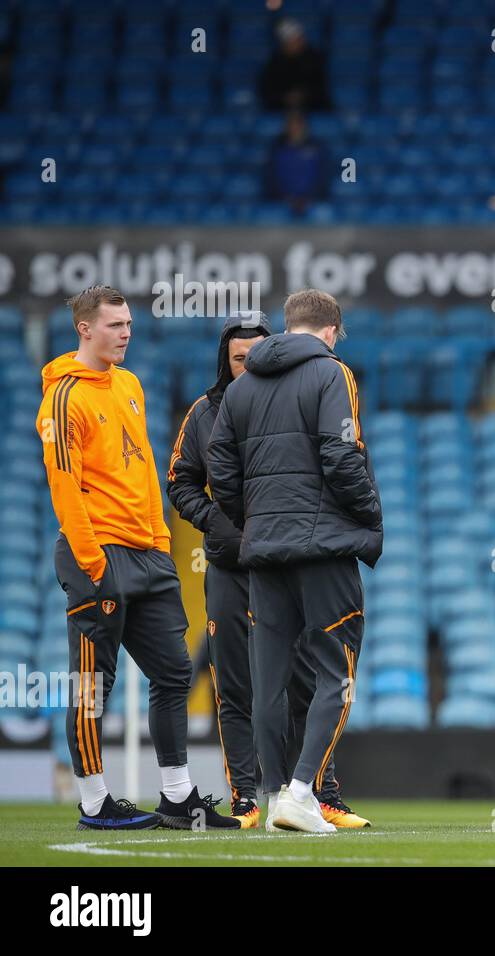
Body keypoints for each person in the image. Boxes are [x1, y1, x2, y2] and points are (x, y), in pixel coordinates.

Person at [37, 285, 238, 831]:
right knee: (93, 684)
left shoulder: (128, 384)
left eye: (128, 323)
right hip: (97, 554)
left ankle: (177, 796)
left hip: (147, 555)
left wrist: (159, 541)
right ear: (85, 329)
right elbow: (65, 488)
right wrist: (94, 562)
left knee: (174, 673)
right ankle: (94, 801)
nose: (126, 333)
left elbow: (146, 465)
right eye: (114, 325)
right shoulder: (63, 397)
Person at [166, 312, 370, 830]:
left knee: (302, 679)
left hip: (277, 556)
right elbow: (181, 482)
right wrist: (222, 523)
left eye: (254, 356)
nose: (247, 365)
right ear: (225, 360)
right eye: (238, 359)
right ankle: (247, 797)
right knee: (236, 683)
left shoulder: (282, 398)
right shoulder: (204, 414)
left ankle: (320, 792)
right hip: (233, 564)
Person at [258, 18, 329, 112]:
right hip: (279, 108)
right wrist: (285, 98)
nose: (299, 43)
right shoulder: (274, 63)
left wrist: (303, 96)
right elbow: (267, 90)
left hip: (312, 107)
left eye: (299, 39)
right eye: (293, 40)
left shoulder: (314, 59)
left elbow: (320, 87)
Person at [266, 111, 327, 216]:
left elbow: (323, 176)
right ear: (286, 128)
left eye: (298, 125)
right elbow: (271, 177)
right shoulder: (276, 149)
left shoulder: (317, 148)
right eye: (292, 126)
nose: (295, 129)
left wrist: (310, 198)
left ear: (305, 127)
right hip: (282, 203)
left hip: (312, 203)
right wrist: (285, 198)